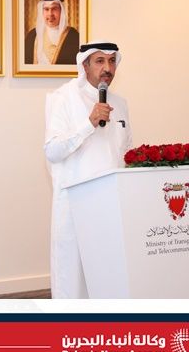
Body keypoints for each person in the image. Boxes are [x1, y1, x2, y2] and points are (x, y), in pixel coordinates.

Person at [43, 41, 133, 299]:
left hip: (111, 207)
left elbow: (126, 152)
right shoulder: (63, 98)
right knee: (72, 278)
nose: (107, 68)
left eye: (112, 61)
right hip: (75, 206)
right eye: (99, 61)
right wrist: (89, 123)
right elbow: (52, 150)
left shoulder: (120, 104)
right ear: (84, 65)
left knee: (109, 275)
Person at [24, 0, 79, 65]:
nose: (50, 14)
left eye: (54, 9)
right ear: (42, 12)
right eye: (46, 9)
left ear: (61, 11)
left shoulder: (73, 35)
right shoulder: (32, 35)